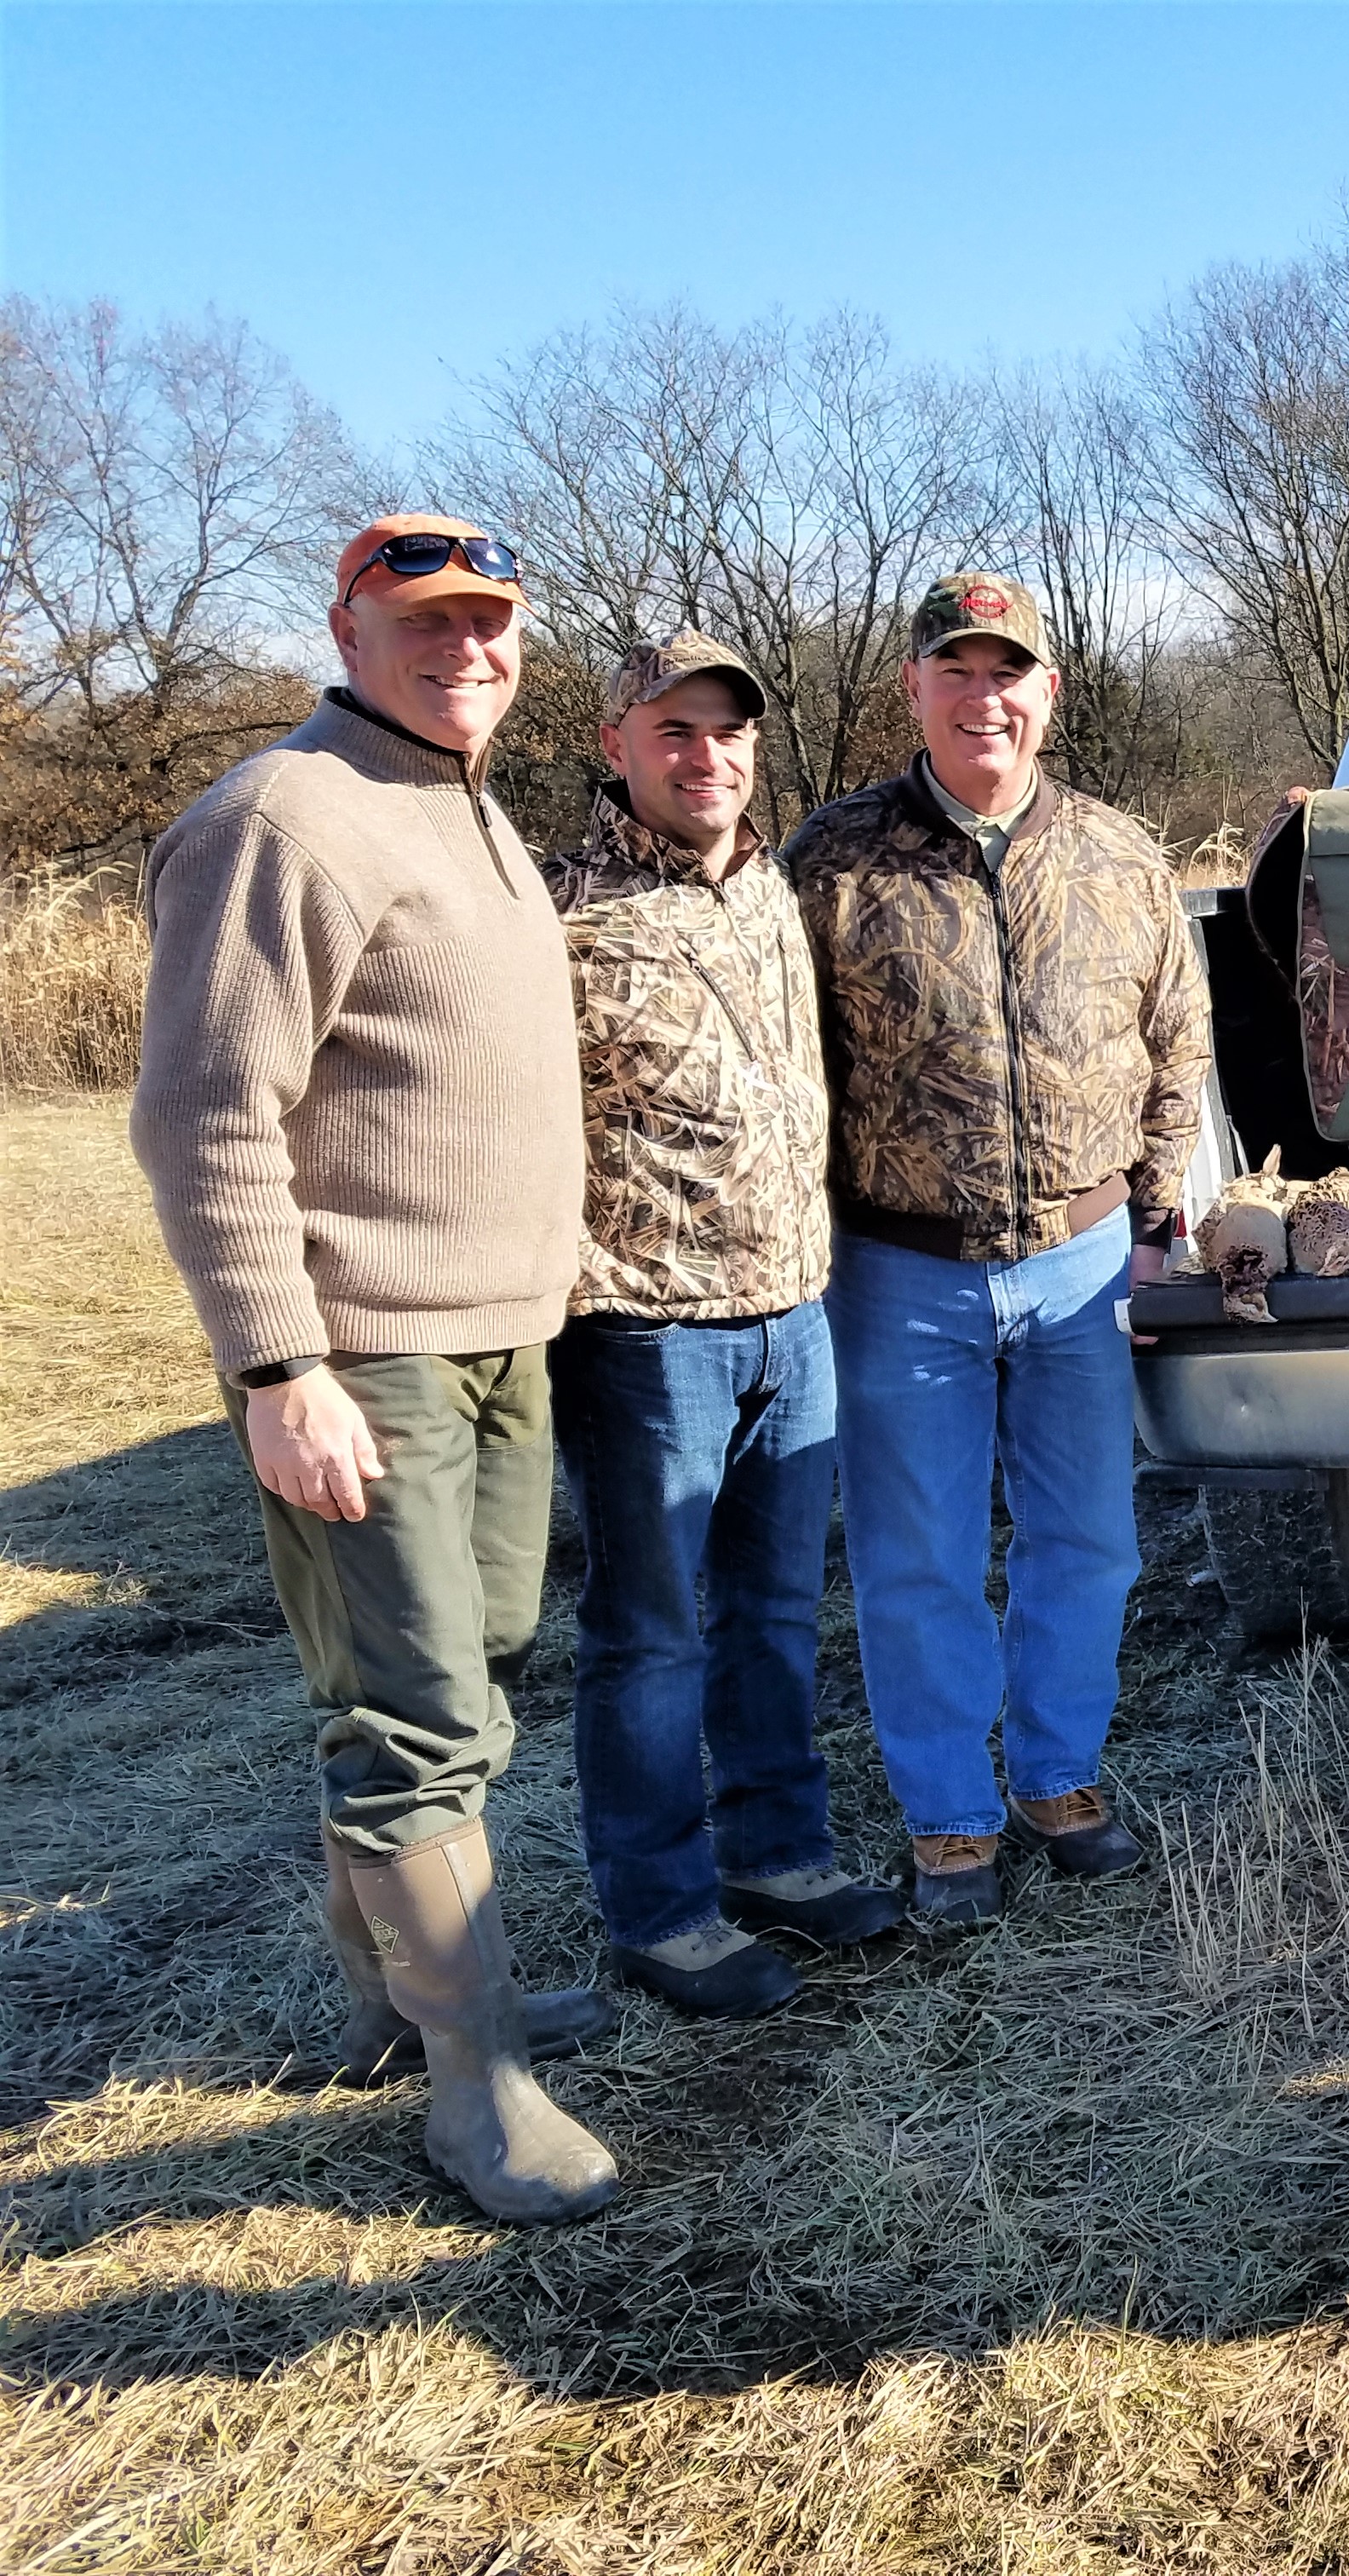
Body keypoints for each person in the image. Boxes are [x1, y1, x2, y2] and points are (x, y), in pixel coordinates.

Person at [130, 515, 617, 2223]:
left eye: (489, 621)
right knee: (417, 1719)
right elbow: (204, 1114)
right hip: (366, 1351)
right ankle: (476, 2086)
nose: (464, 647)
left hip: (501, 1336)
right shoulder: (284, 816)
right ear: (346, 632)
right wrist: (279, 1367)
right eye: (424, 621)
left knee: (472, 1670)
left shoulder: (462, 807)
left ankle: (395, 2004)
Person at [784, 572, 1212, 1925]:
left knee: (1088, 1539)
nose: (986, 698)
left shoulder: (1119, 854)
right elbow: (787, 1066)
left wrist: (1154, 1221)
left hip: (1083, 1260)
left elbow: (1177, 1044)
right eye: (957, 672)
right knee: (918, 1559)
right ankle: (950, 1817)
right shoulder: (833, 859)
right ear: (914, 687)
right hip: (901, 1268)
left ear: (1048, 692)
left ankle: (1056, 1777)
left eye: (1008, 673)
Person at [542, 635, 906, 2016]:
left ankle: (779, 1857)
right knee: (650, 1635)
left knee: (774, 1611)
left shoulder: (770, 885)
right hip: (645, 1330)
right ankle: (663, 1912)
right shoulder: (553, 906)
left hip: (794, 1309)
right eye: (675, 730)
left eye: (729, 731)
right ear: (617, 742)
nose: (708, 756)